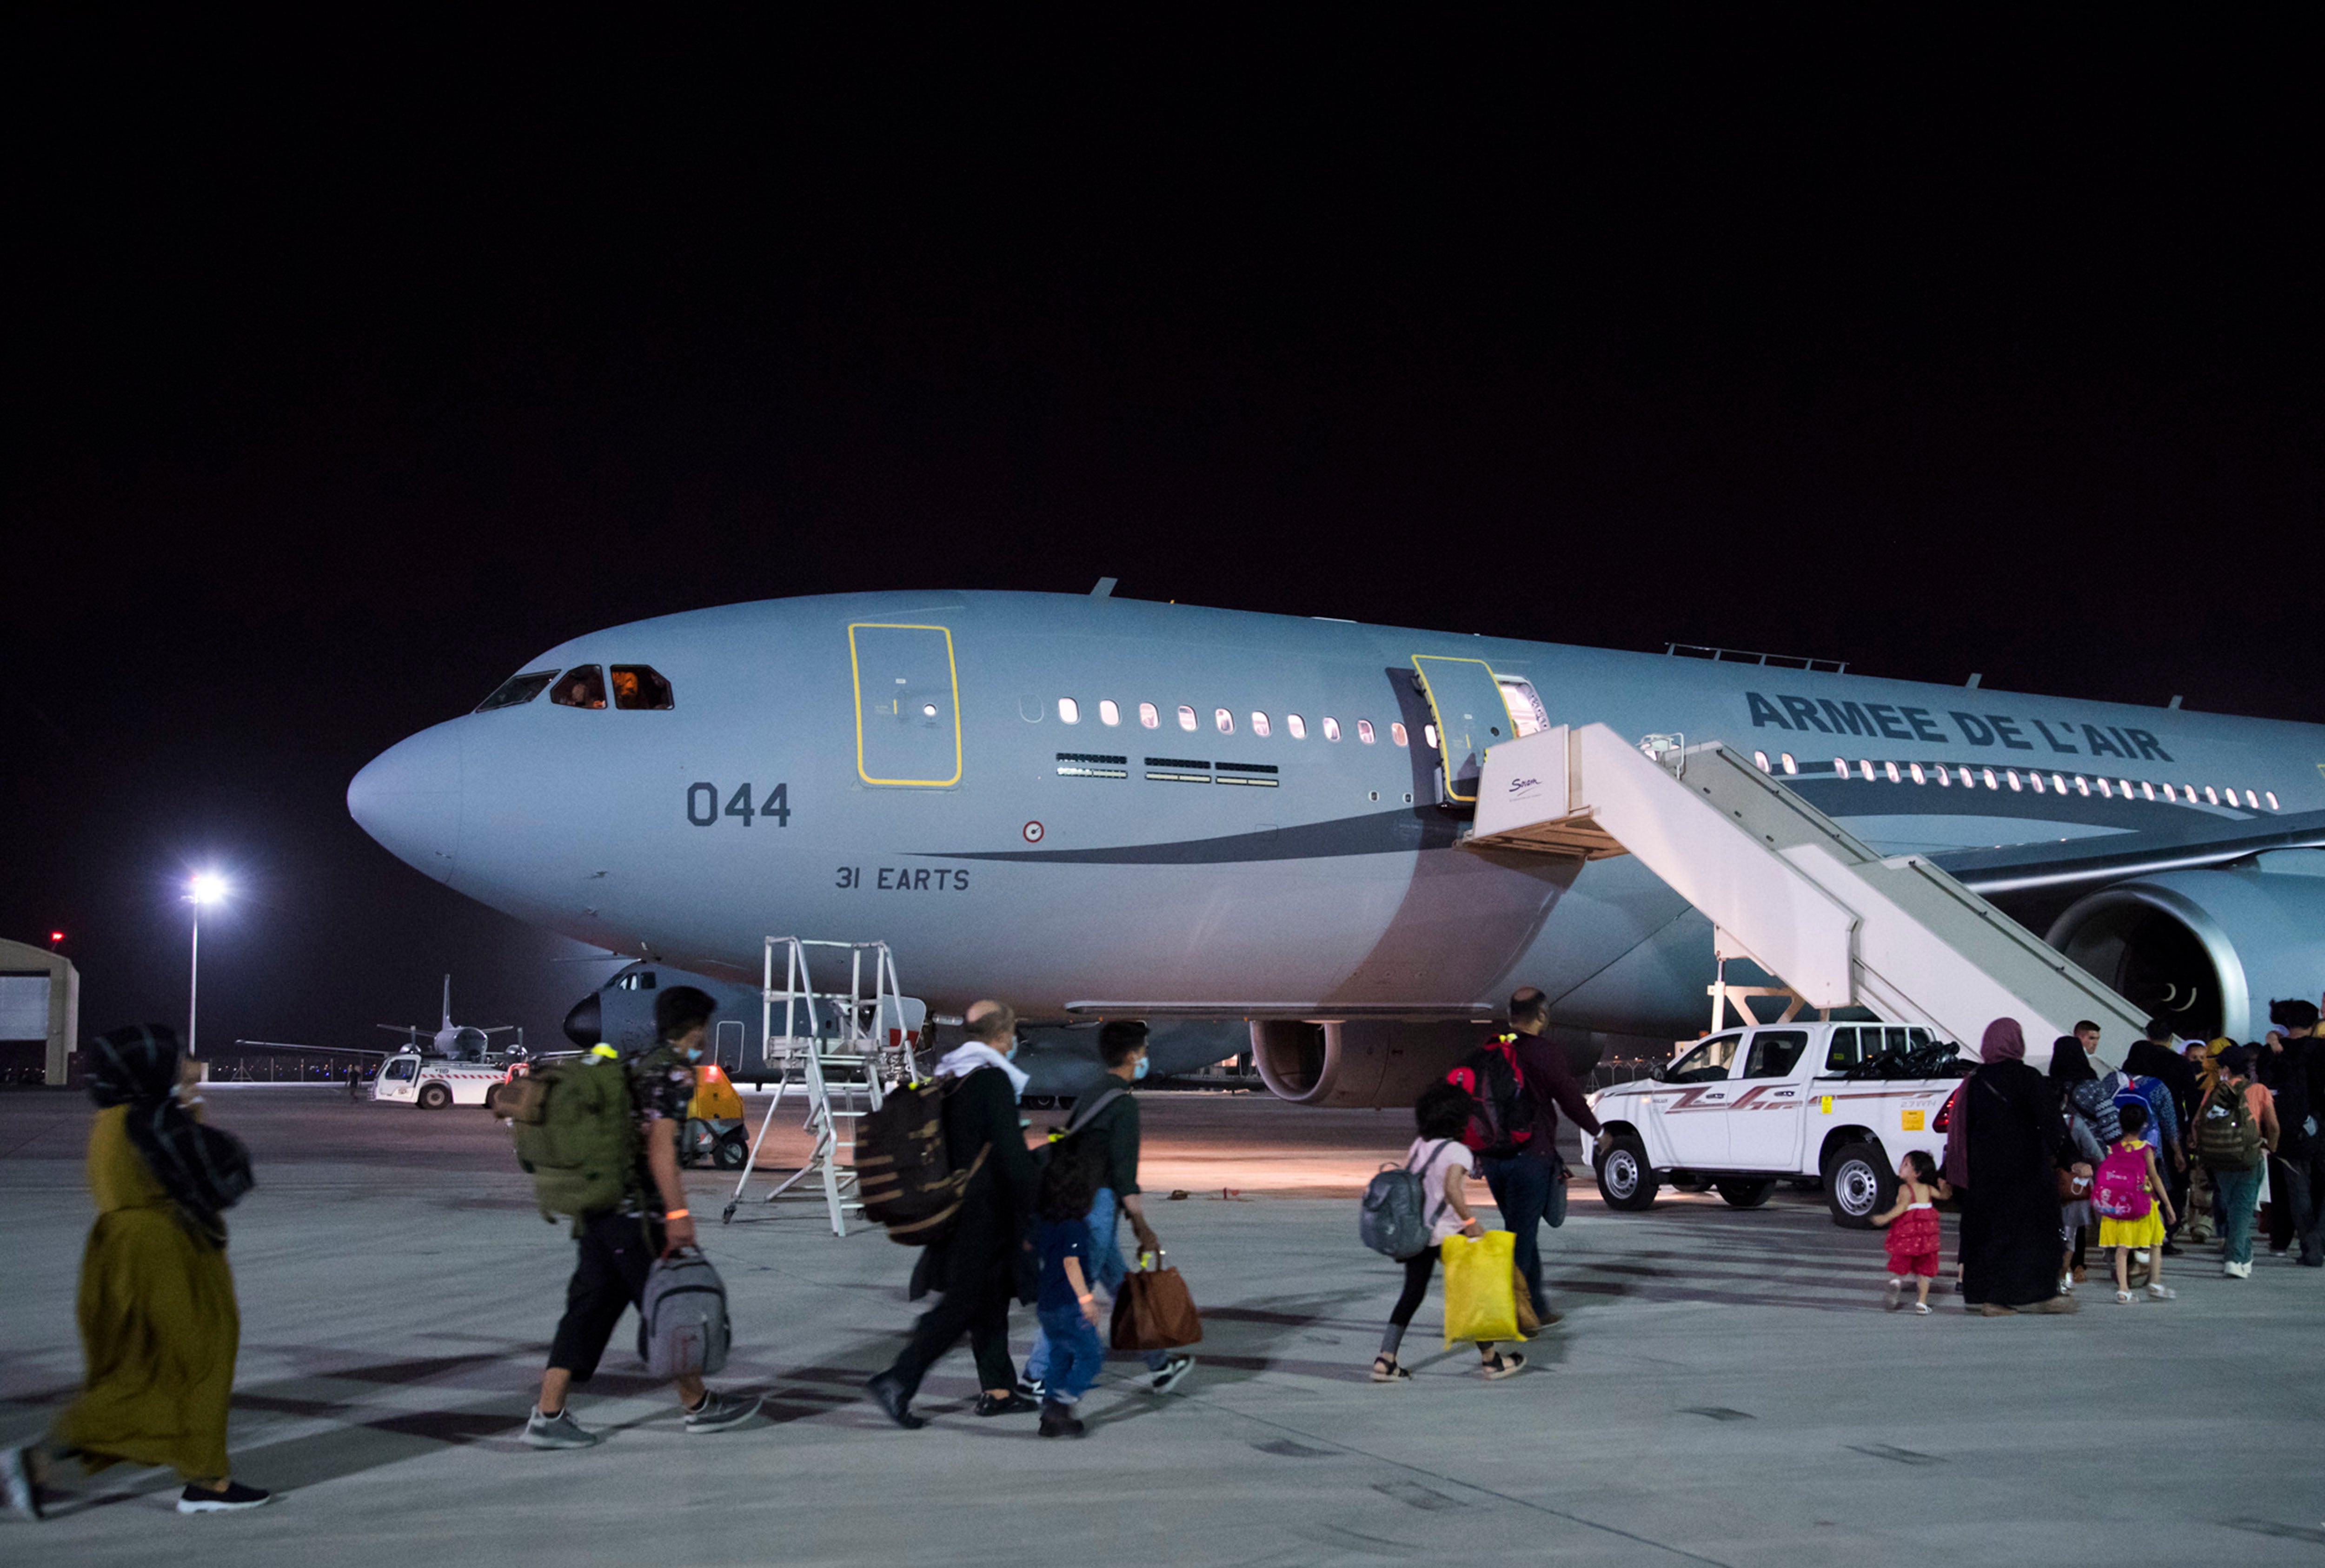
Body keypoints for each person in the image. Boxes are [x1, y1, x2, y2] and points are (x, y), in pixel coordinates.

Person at [5, 1026, 263, 1519]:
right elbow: (221, 1166)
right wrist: (189, 1103)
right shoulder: (152, 1121)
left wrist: (186, 1101)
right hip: (165, 1255)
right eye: (178, 1058)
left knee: (145, 1370)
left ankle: (43, 1460)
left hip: (123, 1255)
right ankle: (205, 1481)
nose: (188, 1064)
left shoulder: (117, 1115)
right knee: (197, 1363)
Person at [524, 986, 760, 1448]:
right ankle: (697, 1406)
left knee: (587, 1312)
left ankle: (548, 1414)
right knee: (671, 1304)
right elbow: (659, 1150)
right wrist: (677, 1213)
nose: (705, 1038)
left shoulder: (635, 1062)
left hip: (601, 1206)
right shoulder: (672, 1072)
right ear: (695, 1028)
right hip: (635, 1217)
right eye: (704, 1029)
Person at [866, 1000, 1043, 1429]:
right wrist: (1039, 1203)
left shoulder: (951, 1074)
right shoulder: (993, 1081)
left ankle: (999, 1391)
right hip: (984, 1211)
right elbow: (1012, 1157)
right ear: (1003, 1035)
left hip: (957, 1204)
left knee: (990, 1296)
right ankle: (899, 1379)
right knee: (962, 1304)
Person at [1019, 1020, 1195, 1400]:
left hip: (1077, 1199)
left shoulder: (1093, 1092)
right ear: (1133, 1055)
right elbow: (1125, 1178)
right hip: (1097, 1208)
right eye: (1144, 1050)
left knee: (1124, 1290)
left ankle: (1160, 1364)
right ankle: (1035, 1376)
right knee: (1070, 1295)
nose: (1146, 1057)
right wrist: (1144, 1228)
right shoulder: (1124, 1104)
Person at [1371, 1082, 1525, 1382]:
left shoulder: (1420, 1145)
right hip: (1449, 1235)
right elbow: (1452, 1188)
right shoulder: (1458, 1151)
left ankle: (1385, 1359)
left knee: (1412, 1294)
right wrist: (1470, 1222)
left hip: (1417, 1233)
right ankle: (1491, 1361)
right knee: (1474, 1294)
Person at [1477, 987, 1608, 1329]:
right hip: (1530, 1157)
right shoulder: (1546, 1052)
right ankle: (1513, 1313)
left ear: (1511, 1015)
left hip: (1493, 1158)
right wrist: (1598, 1132)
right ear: (1541, 1015)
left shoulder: (1493, 1050)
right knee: (1521, 1237)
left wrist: (1476, 1152)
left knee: (1521, 1230)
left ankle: (1537, 1305)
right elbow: (1570, 1100)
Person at [1944, 1018, 2081, 1315]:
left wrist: (1949, 1173)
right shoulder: (2028, 1077)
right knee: (2034, 1232)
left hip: (1984, 1175)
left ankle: (1981, 1296)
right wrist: (2072, 1159)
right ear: (2016, 1042)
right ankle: (2029, 1295)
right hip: (2025, 1172)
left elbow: (1961, 1132)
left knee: (1988, 1234)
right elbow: (2052, 1123)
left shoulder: (1974, 1081)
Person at [1030, 1138, 1109, 1438]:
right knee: (1091, 1356)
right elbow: (1071, 1264)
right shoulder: (1075, 1226)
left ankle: (1051, 1416)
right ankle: (1061, 1405)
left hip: (1048, 1304)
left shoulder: (1045, 1222)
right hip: (1068, 1304)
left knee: (1060, 1356)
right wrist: (1087, 1300)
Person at [2204, 1046, 2278, 1278]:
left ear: (2226, 1069)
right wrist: (2270, 1147)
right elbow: (2273, 1126)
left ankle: (2244, 1256)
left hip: (2219, 1157)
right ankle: (2234, 1259)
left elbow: (2199, 1121)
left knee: (2233, 1205)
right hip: (2248, 1156)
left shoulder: (2215, 1090)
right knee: (2243, 1208)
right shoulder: (2260, 1090)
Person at [2125, 1018, 2197, 1254]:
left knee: (2139, 1181)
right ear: (2171, 1039)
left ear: (2148, 1036)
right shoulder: (2180, 1063)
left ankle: (2138, 1232)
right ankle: (2166, 1234)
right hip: (2170, 1131)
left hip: (2134, 1129)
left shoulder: (2134, 1061)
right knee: (2174, 1182)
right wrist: (2192, 1131)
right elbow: (2193, 1100)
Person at [2259, 998, 2322, 1266]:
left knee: (2297, 1192)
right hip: (2321, 1127)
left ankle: (2311, 1248)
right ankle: (2318, 1238)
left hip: (2286, 1129)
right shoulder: (2322, 1050)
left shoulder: (2271, 1052)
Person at [2098, 1101, 2177, 1302]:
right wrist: (2168, 1205)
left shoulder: (2113, 1148)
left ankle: (2124, 1290)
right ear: (2144, 1125)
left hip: (2117, 1205)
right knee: (2156, 1242)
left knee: (2122, 1248)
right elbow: (2155, 1177)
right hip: (2143, 1204)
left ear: (2120, 1124)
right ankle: (2155, 1283)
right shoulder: (2146, 1149)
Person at [2046, 1036, 2105, 1290]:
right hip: (2076, 1176)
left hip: (2047, 1176)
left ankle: (2053, 1269)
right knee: (2074, 1227)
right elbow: (2096, 1149)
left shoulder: (2048, 1085)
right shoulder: (2091, 1085)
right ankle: (2075, 1268)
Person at [1871, 1150, 1951, 1313]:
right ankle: (1921, 1303)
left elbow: (1901, 1208)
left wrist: (1885, 1217)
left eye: (1906, 1164)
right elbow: (1944, 1196)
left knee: (1900, 1263)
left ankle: (1895, 1283)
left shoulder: (1905, 1190)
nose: (1901, 1166)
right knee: (1925, 1271)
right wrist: (1945, 1187)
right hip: (1927, 1240)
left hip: (1908, 1237)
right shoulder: (1929, 1189)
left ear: (1917, 1173)